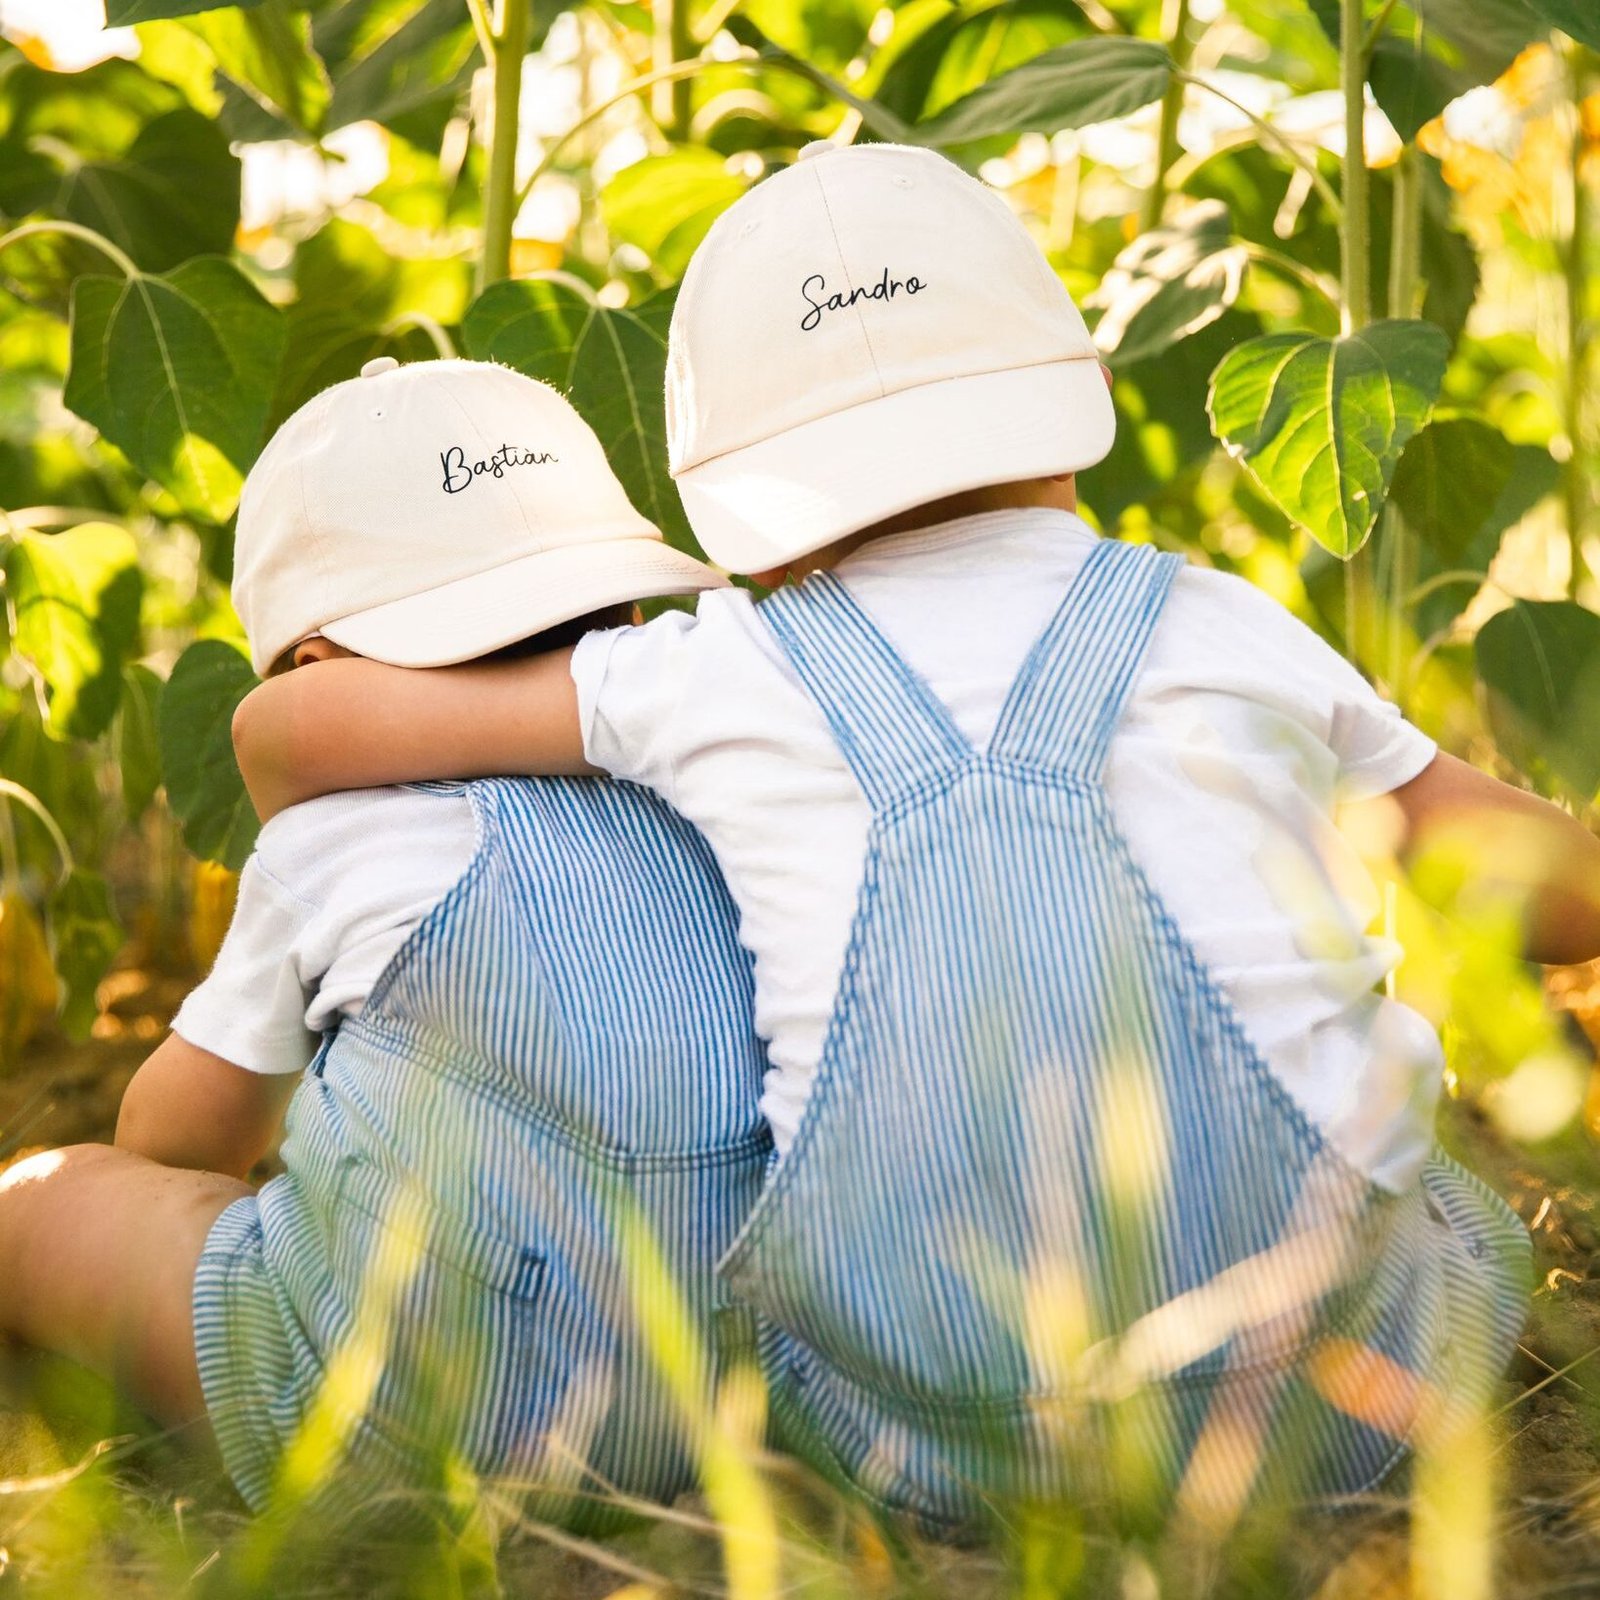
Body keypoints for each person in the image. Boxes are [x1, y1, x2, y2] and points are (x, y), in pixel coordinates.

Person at [230, 146, 1599, 1531]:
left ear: (739, 520)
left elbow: (306, 734)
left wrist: (285, 747)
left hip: (926, 1445)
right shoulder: (1220, 624)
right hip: (1346, 1405)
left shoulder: (714, 672)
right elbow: (1558, 892)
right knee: (1456, 1213)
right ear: (1071, 418)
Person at [0, 358, 771, 1526]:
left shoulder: (333, 838)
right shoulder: (722, 801)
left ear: (310, 672)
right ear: (619, 611)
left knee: (46, 1201)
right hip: (721, 1402)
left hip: (394, 1417)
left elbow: (185, 1134)